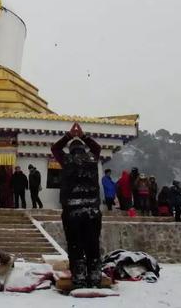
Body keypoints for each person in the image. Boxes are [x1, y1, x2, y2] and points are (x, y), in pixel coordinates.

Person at [51, 122, 103, 289]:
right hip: (93, 212)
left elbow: (55, 149)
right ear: (83, 148)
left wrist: (68, 136)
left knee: (75, 244)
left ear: (71, 149)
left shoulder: (67, 159)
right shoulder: (92, 158)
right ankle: (95, 276)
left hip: (72, 212)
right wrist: (83, 136)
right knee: (92, 243)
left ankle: (79, 276)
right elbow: (97, 147)